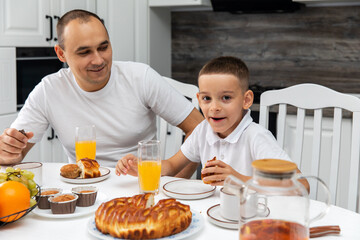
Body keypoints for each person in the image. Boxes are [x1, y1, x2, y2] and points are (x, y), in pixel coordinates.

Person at [0, 10, 203, 168]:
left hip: (139, 188)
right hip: (82, 192)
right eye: (84, 52)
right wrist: (8, 151)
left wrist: (176, 178)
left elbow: (200, 129)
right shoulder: (48, 90)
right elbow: (12, 156)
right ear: (61, 54)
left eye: (103, 47)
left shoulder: (141, 77)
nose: (98, 60)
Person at [116, 56, 310, 191]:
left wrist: (238, 179)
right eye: (207, 99)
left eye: (225, 97)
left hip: (251, 221)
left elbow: (301, 185)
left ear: (246, 100)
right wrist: (139, 167)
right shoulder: (202, 131)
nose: (214, 107)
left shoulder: (256, 136)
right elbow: (171, 166)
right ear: (199, 99)